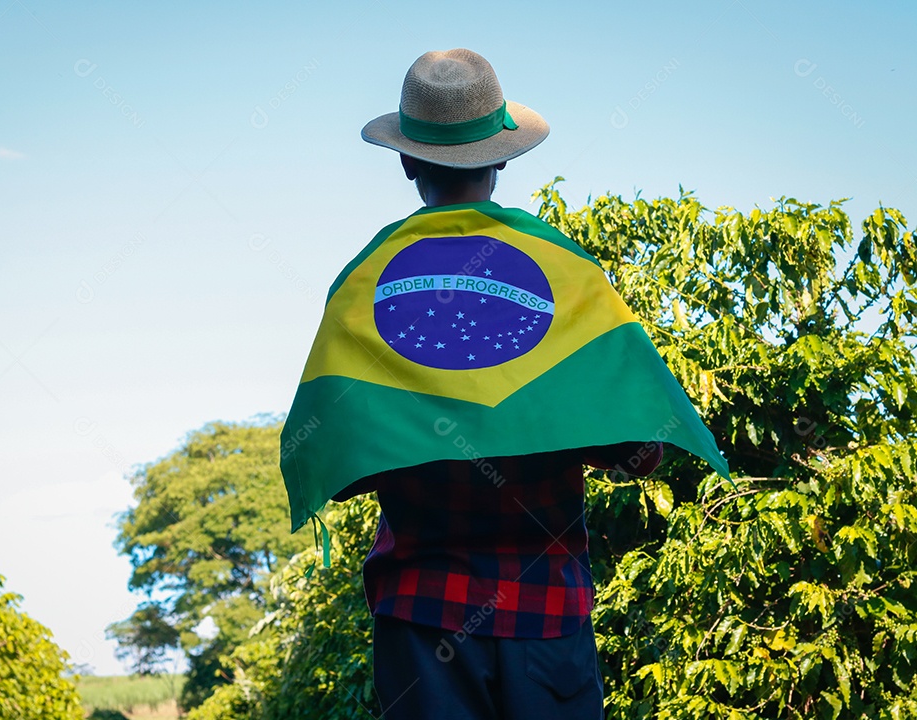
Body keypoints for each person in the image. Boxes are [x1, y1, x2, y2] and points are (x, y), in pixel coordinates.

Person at [280, 47, 729, 720]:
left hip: (420, 623)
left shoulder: (364, 283)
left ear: (406, 162)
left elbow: (340, 473)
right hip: (545, 617)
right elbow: (643, 453)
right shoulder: (568, 273)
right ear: (501, 158)